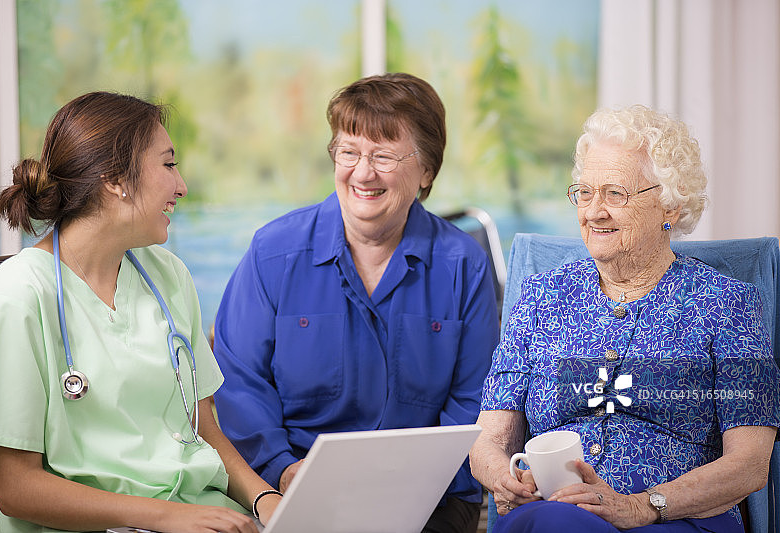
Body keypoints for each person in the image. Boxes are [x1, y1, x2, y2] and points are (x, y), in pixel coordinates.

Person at [469, 104, 780, 533]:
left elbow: (749, 466)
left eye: (615, 194)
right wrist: (505, 479)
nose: (594, 211)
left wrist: (640, 506)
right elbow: (489, 438)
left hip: (674, 519)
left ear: (671, 206)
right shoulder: (541, 299)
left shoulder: (727, 305)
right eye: (584, 192)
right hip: (550, 512)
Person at [0, 92, 281, 533]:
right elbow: (15, 488)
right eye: (168, 164)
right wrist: (168, 516)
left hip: (201, 512)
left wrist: (264, 498)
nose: (181, 186)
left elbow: (203, 428)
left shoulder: (168, 276)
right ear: (116, 179)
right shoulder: (19, 295)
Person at [213, 72, 499, 532]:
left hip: (430, 498)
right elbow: (240, 385)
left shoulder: (463, 263)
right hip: (296, 484)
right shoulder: (273, 252)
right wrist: (282, 470)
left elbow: (476, 398)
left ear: (426, 170)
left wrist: (422, 484)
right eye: (349, 152)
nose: (363, 173)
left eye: (384, 156)